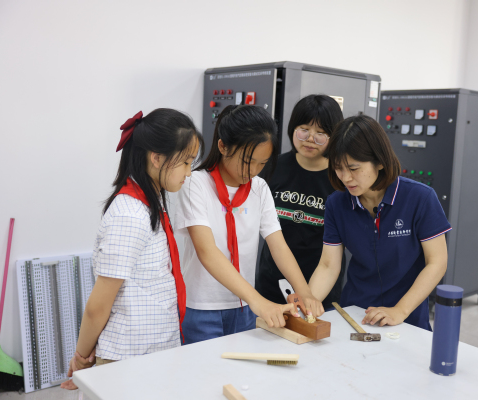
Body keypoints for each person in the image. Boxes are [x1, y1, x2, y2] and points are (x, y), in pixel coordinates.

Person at [61, 109, 203, 389]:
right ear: (156, 158)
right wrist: (82, 359)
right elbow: (98, 306)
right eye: (186, 162)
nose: (189, 172)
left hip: (153, 350)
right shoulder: (130, 215)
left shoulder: (151, 201)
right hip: (129, 358)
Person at [174, 105, 323, 345]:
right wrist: (258, 301)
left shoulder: (259, 188)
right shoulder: (196, 184)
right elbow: (207, 252)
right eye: (247, 161)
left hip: (243, 308)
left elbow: (278, 246)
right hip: (201, 308)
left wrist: (305, 292)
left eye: (262, 163)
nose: (252, 171)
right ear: (223, 146)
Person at [307, 114, 450, 331]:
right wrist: (307, 304)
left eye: (353, 168)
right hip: (355, 314)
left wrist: (400, 310)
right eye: (338, 168)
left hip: (407, 317)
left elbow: (437, 261)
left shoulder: (420, 198)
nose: (345, 178)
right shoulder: (337, 203)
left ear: (380, 161)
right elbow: (328, 265)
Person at [255, 95, 346, 310]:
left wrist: (310, 296)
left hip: (320, 288)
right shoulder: (272, 167)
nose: (310, 139)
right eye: (304, 129)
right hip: (271, 284)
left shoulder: (342, 178)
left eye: (321, 133)